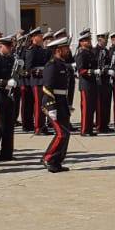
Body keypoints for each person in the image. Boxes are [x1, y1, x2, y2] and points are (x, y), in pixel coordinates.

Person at [40, 35, 75, 172]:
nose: (68, 50)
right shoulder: (52, 65)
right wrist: (51, 107)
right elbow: (47, 87)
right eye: (66, 48)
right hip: (53, 103)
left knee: (66, 134)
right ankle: (48, 158)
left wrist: (68, 104)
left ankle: (57, 161)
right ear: (58, 50)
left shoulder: (62, 65)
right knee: (61, 134)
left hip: (62, 103)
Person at [74, 31, 101, 136]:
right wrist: (93, 71)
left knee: (92, 108)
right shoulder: (81, 54)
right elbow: (80, 70)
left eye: (89, 39)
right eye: (86, 40)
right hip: (86, 84)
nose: (89, 41)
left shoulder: (90, 53)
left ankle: (90, 129)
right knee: (86, 108)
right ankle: (85, 130)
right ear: (81, 42)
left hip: (93, 83)